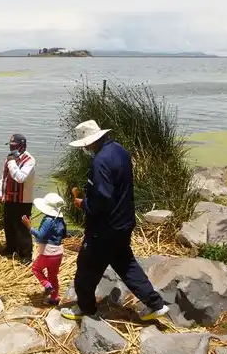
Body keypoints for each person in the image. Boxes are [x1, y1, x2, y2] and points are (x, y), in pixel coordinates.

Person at [60, 119, 169, 322]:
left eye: (85, 145)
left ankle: (85, 308)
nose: (85, 149)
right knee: (126, 265)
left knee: (86, 268)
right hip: (124, 222)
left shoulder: (100, 161)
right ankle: (157, 304)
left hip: (104, 228)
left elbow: (101, 198)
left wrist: (83, 204)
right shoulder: (120, 150)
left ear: (90, 142)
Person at [21, 192, 68, 306]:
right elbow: (64, 235)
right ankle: (55, 298)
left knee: (36, 269)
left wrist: (29, 227)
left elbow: (41, 235)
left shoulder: (48, 220)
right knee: (53, 275)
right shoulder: (61, 220)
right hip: (58, 253)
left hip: (48, 252)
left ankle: (47, 286)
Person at [0, 133, 36, 264]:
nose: (11, 149)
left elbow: (20, 178)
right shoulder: (10, 159)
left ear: (22, 146)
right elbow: (4, 177)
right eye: (10, 146)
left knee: (22, 227)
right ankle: (11, 247)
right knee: (8, 224)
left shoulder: (29, 160)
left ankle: (26, 254)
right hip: (10, 197)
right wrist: (1, 193)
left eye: (14, 146)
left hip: (23, 199)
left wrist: (12, 163)